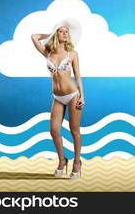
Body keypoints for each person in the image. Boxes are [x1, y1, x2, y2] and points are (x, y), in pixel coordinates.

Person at [31, 18, 84, 180]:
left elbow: (78, 76)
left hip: (73, 95)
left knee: (75, 130)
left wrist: (83, 95)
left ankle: (76, 162)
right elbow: (34, 37)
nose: (64, 34)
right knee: (54, 131)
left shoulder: (72, 53)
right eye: (61, 31)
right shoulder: (48, 53)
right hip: (57, 97)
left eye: (66, 31)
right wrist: (51, 33)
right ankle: (62, 160)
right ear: (57, 34)